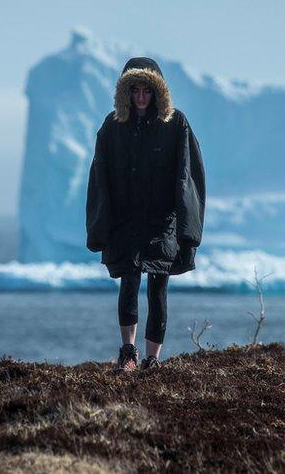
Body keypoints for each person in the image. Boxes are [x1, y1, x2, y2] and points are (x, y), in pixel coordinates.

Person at [85, 56, 206, 372]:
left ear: (157, 92)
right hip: (126, 223)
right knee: (128, 281)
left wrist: (187, 230)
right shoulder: (113, 127)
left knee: (158, 288)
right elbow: (100, 178)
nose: (140, 98)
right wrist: (101, 225)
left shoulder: (175, 124)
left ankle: (153, 358)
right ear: (126, 92)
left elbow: (188, 176)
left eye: (146, 91)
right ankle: (128, 354)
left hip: (161, 224)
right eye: (135, 90)